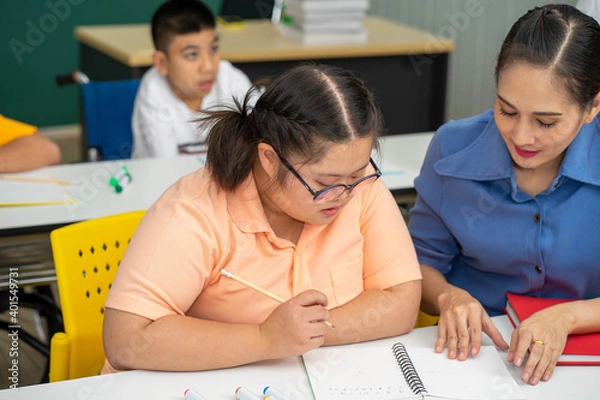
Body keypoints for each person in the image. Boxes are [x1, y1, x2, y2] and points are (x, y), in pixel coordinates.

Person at [102, 63, 422, 373]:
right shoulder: (193, 212)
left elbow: (402, 301)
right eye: (325, 184)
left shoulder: (359, 189)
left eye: (358, 173)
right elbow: (126, 339)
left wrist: (305, 334)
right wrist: (264, 339)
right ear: (269, 158)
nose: (345, 194)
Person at [408, 4, 600, 386]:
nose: (522, 137)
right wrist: (448, 297)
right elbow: (418, 267)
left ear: (593, 106)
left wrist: (568, 317)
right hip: (476, 357)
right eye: (506, 110)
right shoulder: (452, 149)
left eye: (546, 122)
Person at [131, 0, 252, 158]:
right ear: (161, 63)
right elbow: (167, 168)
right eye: (192, 55)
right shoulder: (153, 90)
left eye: (213, 49)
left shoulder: (231, 79)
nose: (208, 67)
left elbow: (261, 140)